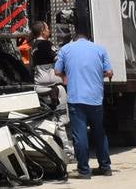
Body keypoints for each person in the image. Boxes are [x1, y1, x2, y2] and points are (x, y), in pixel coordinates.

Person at [54, 27, 114, 179]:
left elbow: (57, 71)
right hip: (95, 99)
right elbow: (109, 72)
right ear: (89, 38)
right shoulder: (100, 49)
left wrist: (66, 78)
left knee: (80, 135)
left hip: (76, 98)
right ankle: (105, 167)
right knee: (99, 133)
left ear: (74, 38)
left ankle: (84, 171)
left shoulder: (66, 49)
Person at [30, 21, 62, 109]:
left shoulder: (33, 46)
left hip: (39, 83)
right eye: (47, 28)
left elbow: (32, 65)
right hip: (51, 83)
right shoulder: (47, 44)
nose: (49, 30)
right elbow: (58, 59)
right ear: (42, 31)